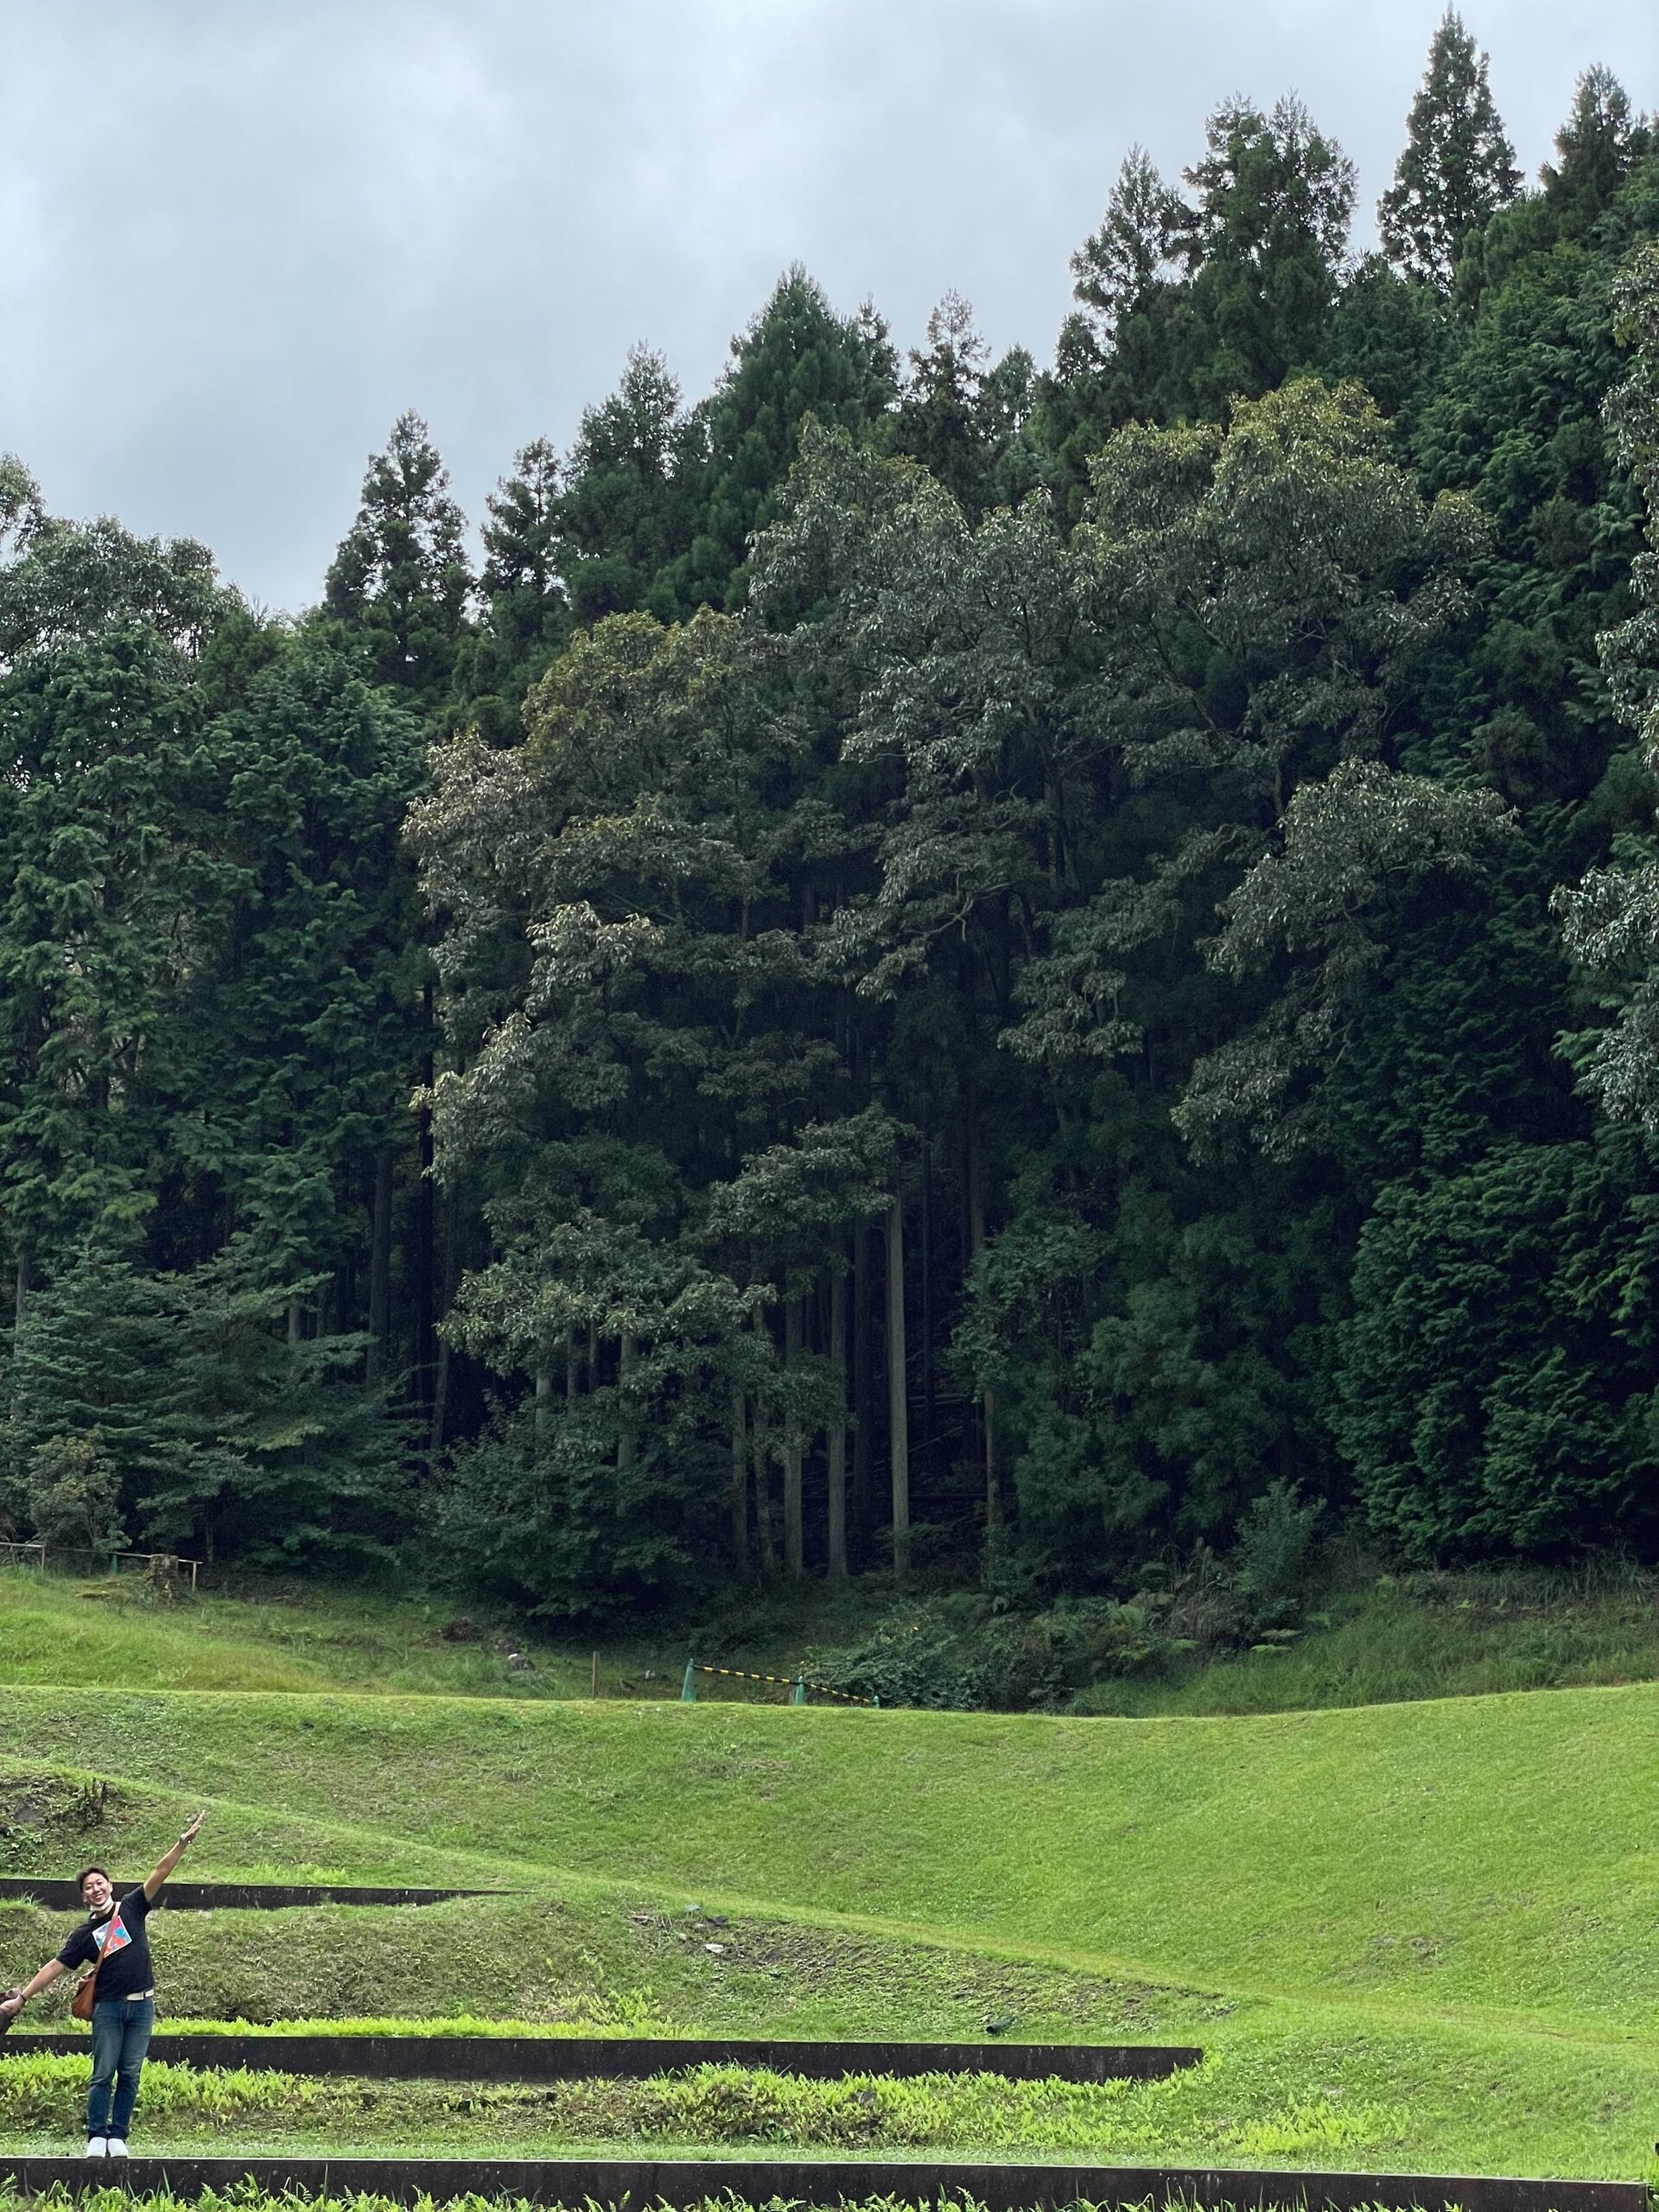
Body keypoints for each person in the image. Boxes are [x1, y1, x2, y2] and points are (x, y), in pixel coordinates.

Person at [0, 1810, 206, 2158]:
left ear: (110, 1886)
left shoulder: (132, 1907)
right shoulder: (83, 1935)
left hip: (143, 2005)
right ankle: (96, 2136)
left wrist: (181, 1844)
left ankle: (118, 2135)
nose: (95, 1890)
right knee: (103, 2072)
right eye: (88, 1888)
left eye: (100, 1884)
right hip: (108, 2008)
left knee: (130, 2073)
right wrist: (22, 1997)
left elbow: (160, 1872)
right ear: (84, 1897)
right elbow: (56, 1966)